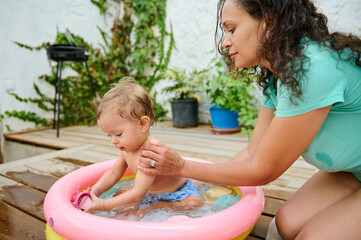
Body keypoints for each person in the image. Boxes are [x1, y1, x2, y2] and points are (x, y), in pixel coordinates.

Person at [138, 0, 361, 239]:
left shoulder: (313, 68)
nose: (224, 42)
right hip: (351, 171)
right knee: (284, 225)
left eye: (231, 28)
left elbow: (262, 170)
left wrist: (181, 167)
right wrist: (203, 191)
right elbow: (253, 153)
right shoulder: (280, 73)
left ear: (270, 21)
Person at [85, 77, 203, 218]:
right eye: (108, 135)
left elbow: (137, 194)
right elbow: (113, 173)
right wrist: (94, 192)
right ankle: (145, 206)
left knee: (194, 204)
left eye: (118, 134)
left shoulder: (151, 152)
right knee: (119, 194)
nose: (113, 141)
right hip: (147, 191)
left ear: (142, 124)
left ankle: (166, 205)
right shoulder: (126, 148)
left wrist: (104, 205)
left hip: (176, 192)